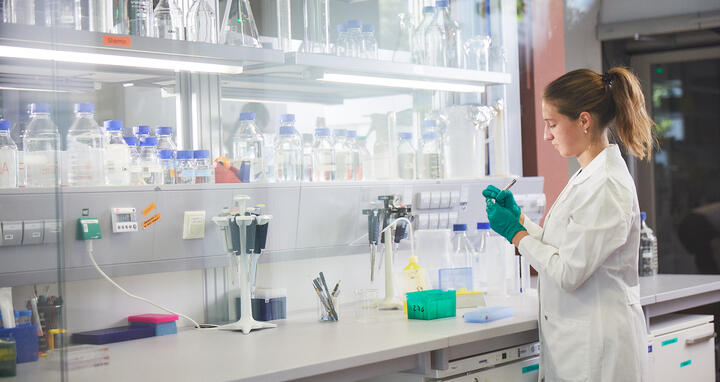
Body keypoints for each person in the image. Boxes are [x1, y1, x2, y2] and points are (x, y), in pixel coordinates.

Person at [484, 67, 656, 382]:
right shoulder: (587, 175)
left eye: (552, 124)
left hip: (600, 349)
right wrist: (520, 220)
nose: (546, 135)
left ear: (584, 120)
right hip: (580, 343)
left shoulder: (606, 184)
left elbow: (569, 271)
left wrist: (518, 235)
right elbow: (566, 246)